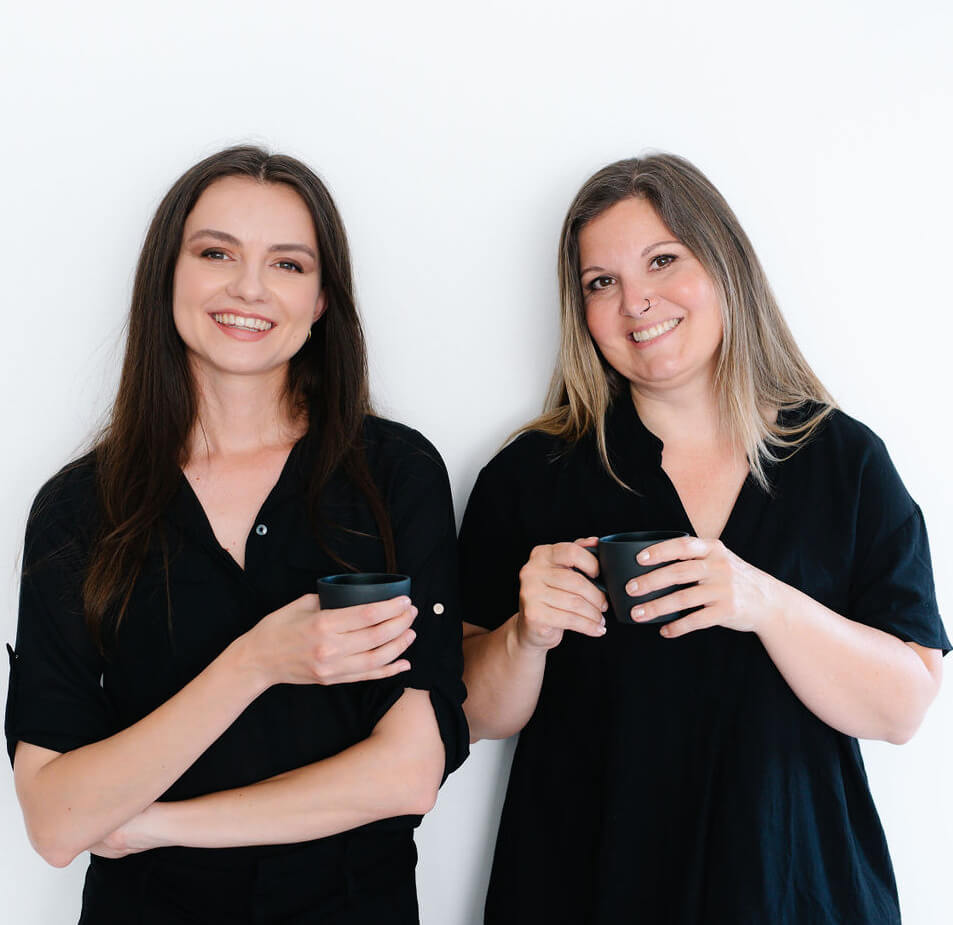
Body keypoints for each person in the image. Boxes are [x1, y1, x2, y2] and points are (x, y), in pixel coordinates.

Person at [458, 154, 948, 924]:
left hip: (795, 891)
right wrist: (525, 635)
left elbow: (903, 707)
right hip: (583, 889)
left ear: (723, 265)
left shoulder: (842, 462)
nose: (635, 302)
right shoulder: (530, 476)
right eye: (600, 282)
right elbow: (472, 712)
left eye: (662, 260)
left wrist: (763, 601)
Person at [5, 146, 467, 924]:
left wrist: (155, 823)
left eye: (287, 264)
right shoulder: (76, 509)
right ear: (168, 276)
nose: (248, 287)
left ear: (322, 299)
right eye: (216, 252)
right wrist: (255, 662)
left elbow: (409, 772)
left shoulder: (395, 476)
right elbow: (55, 818)